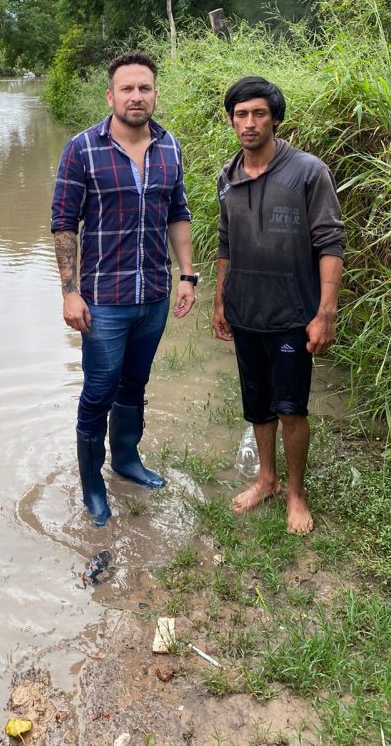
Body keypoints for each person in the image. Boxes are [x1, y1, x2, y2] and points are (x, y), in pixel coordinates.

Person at [51, 51, 197, 526]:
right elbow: (63, 223)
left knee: (135, 384)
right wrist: (69, 292)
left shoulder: (169, 146)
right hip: (103, 300)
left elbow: (178, 213)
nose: (137, 97)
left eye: (145, 88)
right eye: (127, 89)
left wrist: (187, 276)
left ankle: (127, 460)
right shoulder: (82, 148)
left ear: (156, 93)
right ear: (111, 95)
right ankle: (93, 483)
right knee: (98, 390)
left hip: (153, 294)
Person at [212, 77, 344, 534]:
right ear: (232, 121)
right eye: (241, 115)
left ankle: (296, 495)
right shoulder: (227, 178)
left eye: (259, 114)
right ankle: (266, 481)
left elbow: (331, 241)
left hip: (292, 313)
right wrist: (220, 302)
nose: (249, 123)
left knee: (291, 407)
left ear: (275, 119)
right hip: (246, 312)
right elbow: (225, 243)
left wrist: (324, 313)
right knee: (259, 405)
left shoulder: (308, 172)